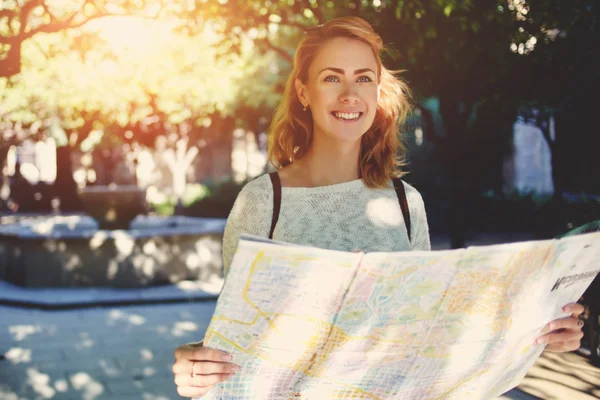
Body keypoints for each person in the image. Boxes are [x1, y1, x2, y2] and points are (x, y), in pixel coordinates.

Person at [171, 16, 585, 398]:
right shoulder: (262, 201)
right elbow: (234, 340)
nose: (350, 94)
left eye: (363, 78)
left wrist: (540, 331)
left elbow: (429, 335)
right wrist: (195, 366)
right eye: (332, 77)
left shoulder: (407, 203)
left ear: (375, 91)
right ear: (303, 91)